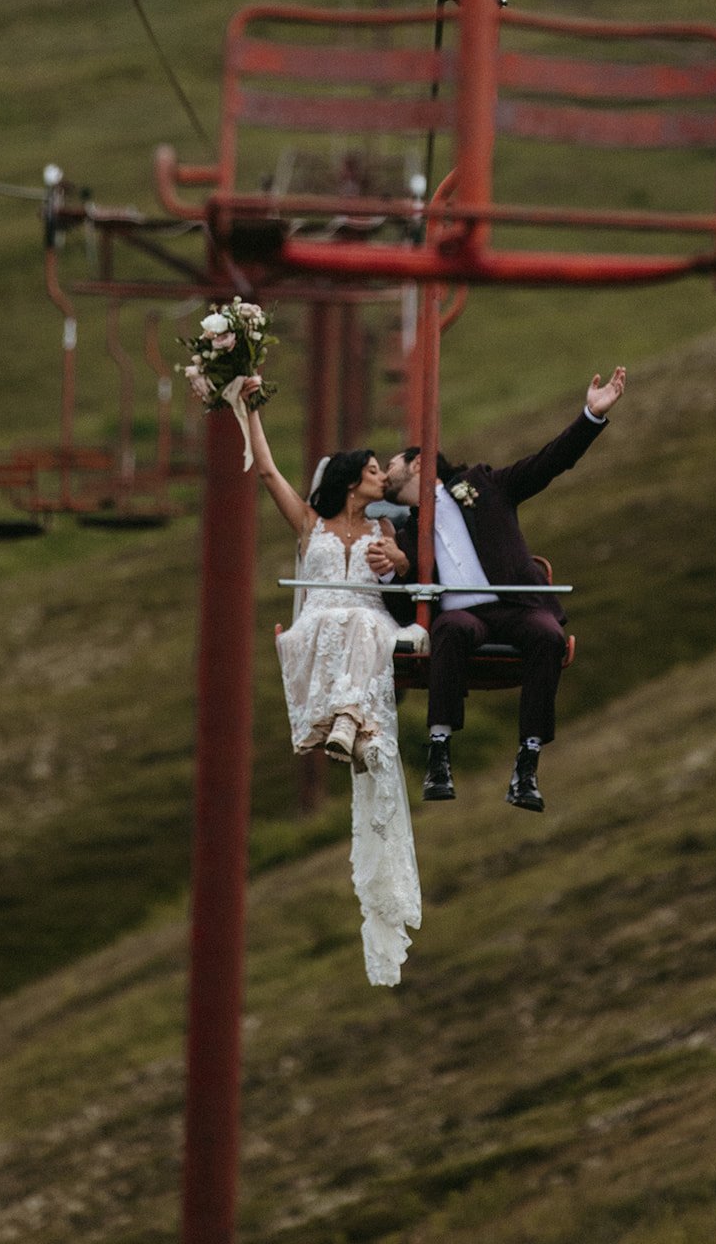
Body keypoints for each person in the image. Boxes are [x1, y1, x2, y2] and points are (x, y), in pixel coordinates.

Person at [375, 368, 626, 813]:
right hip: (462, 616)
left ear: (417, 463)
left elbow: (549, 462)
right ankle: (440, 752)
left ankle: (528, 761)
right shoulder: (406, 534)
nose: (384, 476)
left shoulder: (485, 486)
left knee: (547, 636)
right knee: (449, 631)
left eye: (390, 465)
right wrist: (390, 573)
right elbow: (402, 608)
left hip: (512, 605)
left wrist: (591, 416)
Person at [242, 377, 421, 987]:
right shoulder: (309, 526)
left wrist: (396, 562)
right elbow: (266, 472)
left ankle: (351, 725)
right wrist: (249, 408)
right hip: (323, 627)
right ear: (352, 479)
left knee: (362, 622)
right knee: (340, 621)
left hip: (361, 626)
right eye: (374, 471)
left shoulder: (383, 533)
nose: (382, 479)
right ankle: (352, 725)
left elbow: (400, 579)